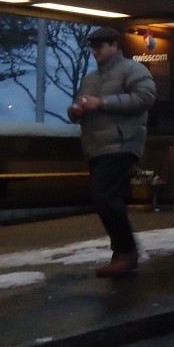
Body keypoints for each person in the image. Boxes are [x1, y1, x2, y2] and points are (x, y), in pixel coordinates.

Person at [68, 27, 156, 279]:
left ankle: (125, 252)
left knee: (104, 195)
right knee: (104, 197)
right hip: (96, 146)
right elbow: (74, 110)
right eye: (92, 47)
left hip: (122, 142)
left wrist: (103, 103)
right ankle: (123, 252)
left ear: (115, 45)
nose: (95, 51)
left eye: (100, 46)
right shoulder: (90, 78)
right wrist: (76, 110)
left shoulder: (133, 69)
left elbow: (145, 97)